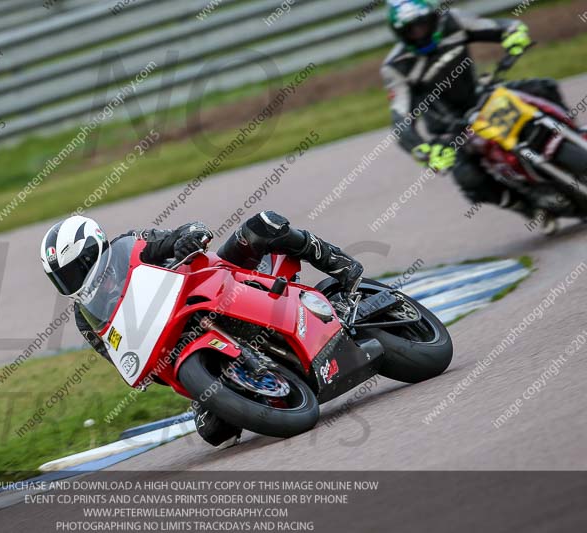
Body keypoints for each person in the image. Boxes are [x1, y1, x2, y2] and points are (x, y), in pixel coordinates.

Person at [40, 211, 363, 446]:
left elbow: (186, 230)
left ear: (91, 250)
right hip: (179, 340)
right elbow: (122, 355)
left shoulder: (130, 245)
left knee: (261, 226)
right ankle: (245, 378)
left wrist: (187, 239)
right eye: (61, 278)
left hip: (220, 283)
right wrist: (194, 384)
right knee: (213, 433)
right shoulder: (86, 318)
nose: (70, 281)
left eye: (72, 270)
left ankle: (343, 270)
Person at [381, 0, 567, 234]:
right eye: (411, 30)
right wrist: (423, 150)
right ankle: (530, 210)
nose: (419, 34)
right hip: (449, 128)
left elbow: (500, 26)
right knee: (469, 179)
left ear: (433, 19)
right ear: (399, 34)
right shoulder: (396, 66)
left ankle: (572, 134)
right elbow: (400, 119)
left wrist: (514, 34)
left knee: (544, 88)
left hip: (482, 97)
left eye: (423, 25)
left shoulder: (453, 21)